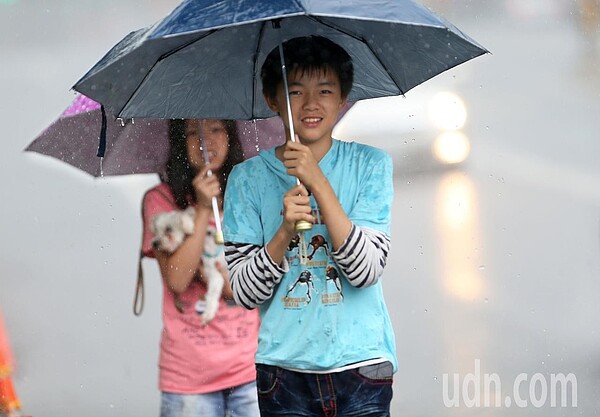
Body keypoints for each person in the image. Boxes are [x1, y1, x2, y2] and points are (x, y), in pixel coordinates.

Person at [223, 36, 397, 416]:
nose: (311, 104)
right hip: (284, 377)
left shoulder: (371, 166)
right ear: (273, 100)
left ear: (343, 98)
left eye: (325, 90)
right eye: (296, 92)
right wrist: (284, 231)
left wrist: (316, 179)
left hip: (362, 367)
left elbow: (364, 271)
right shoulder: (246, 179)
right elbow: (244, 293)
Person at [141, 119, 260, 417]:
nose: (206, 141)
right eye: (193, 133)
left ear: (231, 135)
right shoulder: (162, 200)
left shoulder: (250, 196)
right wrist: (204, 209)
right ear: (180, 143)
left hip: (252, 372)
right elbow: (178, 280)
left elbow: (263, 280)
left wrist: (235, 286)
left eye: (216, 130)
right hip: (189, 380)